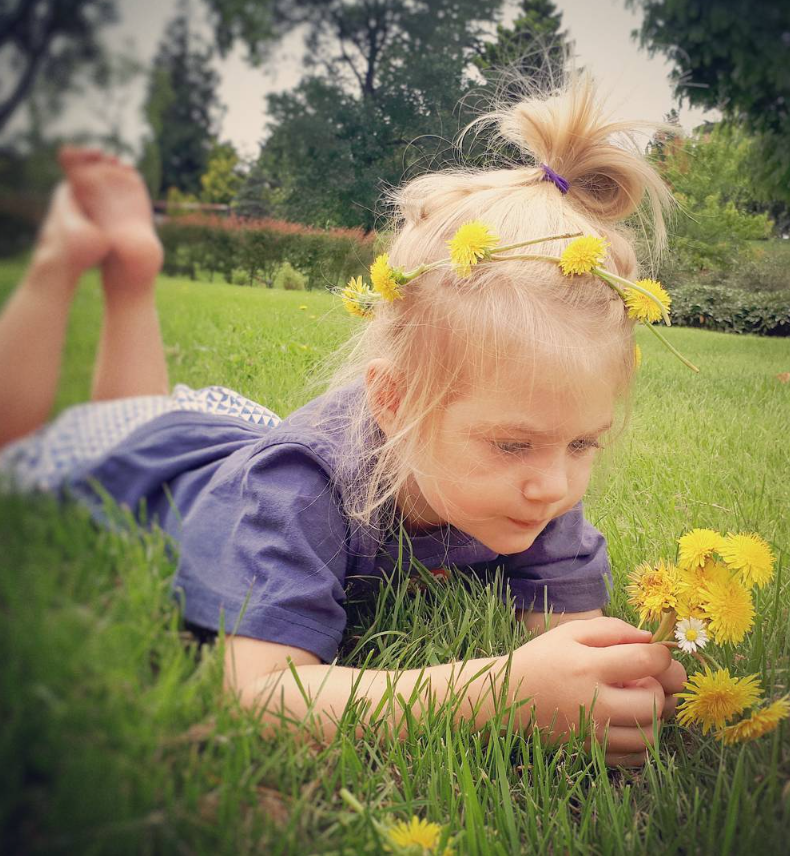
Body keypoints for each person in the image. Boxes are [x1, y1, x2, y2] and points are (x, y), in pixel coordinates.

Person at [0, 76, 686, 766]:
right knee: (37, 447)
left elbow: (569, 637)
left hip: (234, 439)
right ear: (392, 402)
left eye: (582, 443)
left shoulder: (536, 485)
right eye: (512, 444)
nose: (555, 484)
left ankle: (130, 279)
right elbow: (256, 696)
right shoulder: (298, 491)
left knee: (140, 415)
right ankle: (59, 260)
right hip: (168, 470)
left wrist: (623, 680)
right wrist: (495, 691)